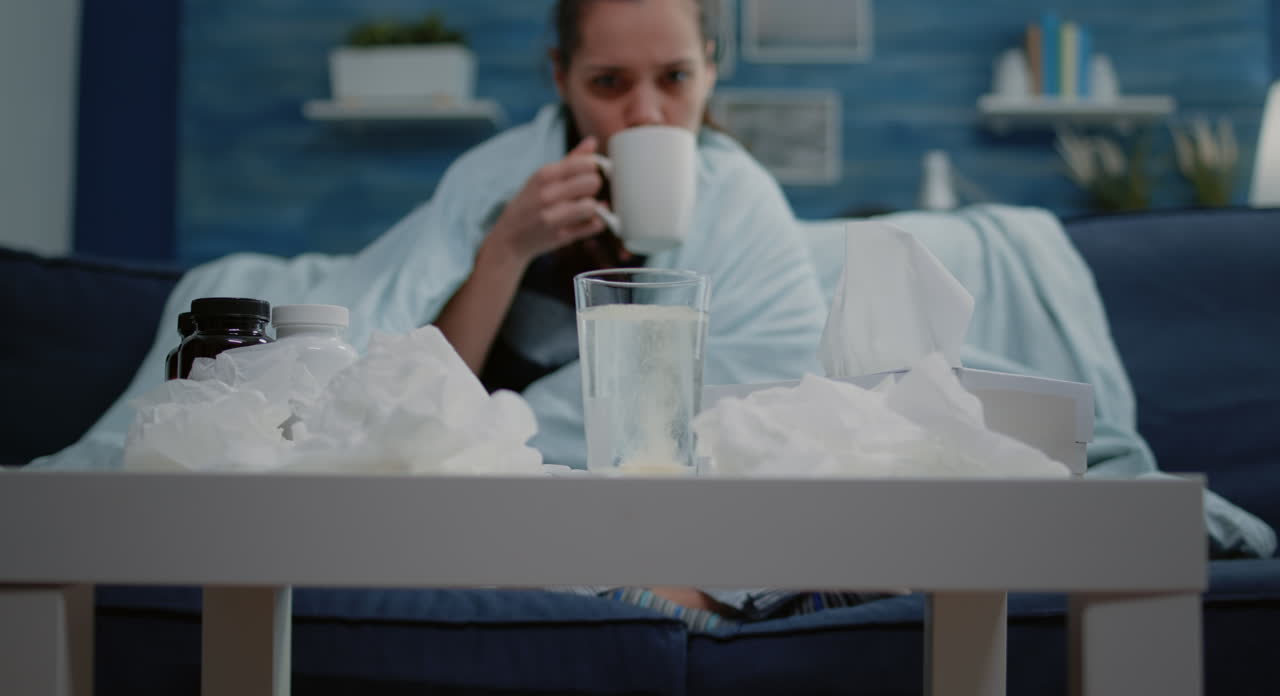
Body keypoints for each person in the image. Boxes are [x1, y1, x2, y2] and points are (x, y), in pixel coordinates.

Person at [31, 0, 833, 627]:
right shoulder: (499, 178)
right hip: (473, 455)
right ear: (560, 77)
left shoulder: (742, 208)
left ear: (712, 71)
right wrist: (505, 250)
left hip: (594, 479)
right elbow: (410, 377)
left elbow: (760, 387)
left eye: (676, 78)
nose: (648, 115)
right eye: (610, 83)